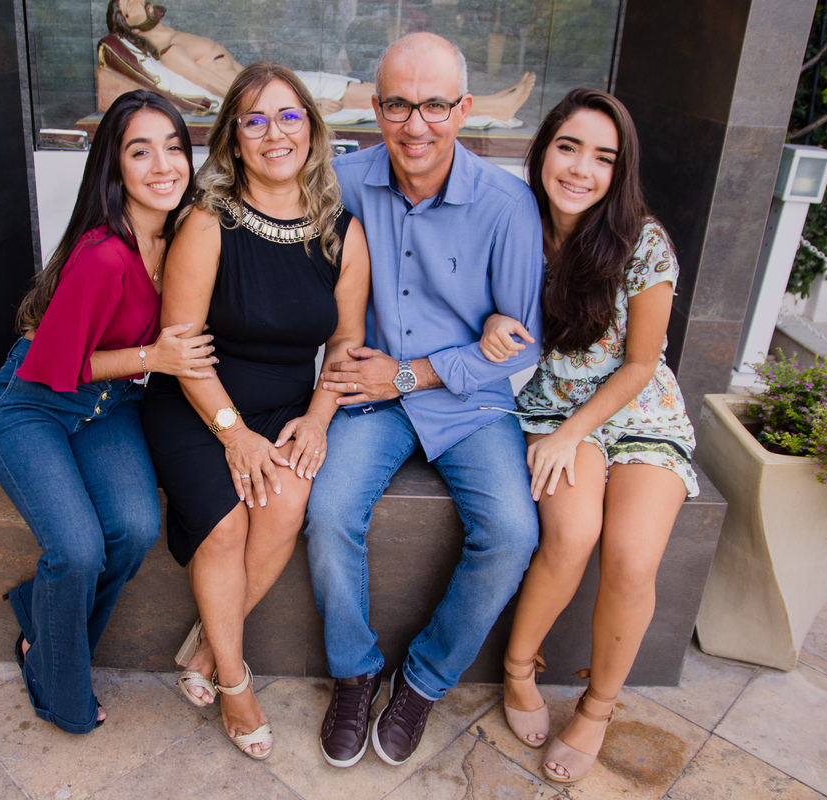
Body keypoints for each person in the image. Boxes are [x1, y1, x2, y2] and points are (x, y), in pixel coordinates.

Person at [304, 32, 545, 769]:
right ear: (374, 110)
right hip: (366, 394)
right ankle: (354, 671)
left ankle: (425, 678)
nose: (417, 125)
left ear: (465, 109)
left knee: (511, 532)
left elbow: (525, 344)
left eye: (435, 105)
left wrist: (413, 375)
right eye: (400, 105)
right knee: (327, 512)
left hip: (467, 399)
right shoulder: (340, 182)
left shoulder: (507, 203)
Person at [141, 62, 371, 760]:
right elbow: (180, 351)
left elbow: (347, 345)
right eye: (255, 120)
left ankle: (207, 648)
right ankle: (235, 683)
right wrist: (232, 433)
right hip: (196, 400)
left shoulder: (340, 233)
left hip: (284, 405)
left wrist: (320, 417)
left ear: (312, 129)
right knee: (225, 526)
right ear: (235, 141)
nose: (276, 133)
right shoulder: (209, 223)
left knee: (289, 499)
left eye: (290, 116)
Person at [0, 90, 216, 735]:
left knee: (136, 530)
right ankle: (58, 681)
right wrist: (156, 354)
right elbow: (56, 364)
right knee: (78, 550)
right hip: (34, 404)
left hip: (112, 405)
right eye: (141, 151)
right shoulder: (103, 253)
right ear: (114, 168)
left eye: (174, 147)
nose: (163, 165)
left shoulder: (177, 238)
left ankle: (39, 612)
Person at [482, 87, 698, 784]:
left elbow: (641, 364)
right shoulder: (513, 224)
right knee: (570, 536)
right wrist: (486, 327)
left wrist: (574, 434)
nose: (580, 169)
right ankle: (518, 668)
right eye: (568, 147)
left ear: (619, 171)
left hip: (636, 412)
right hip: (549, 407)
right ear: (543, 148)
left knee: (633, 557)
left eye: (602, 158)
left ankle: (598, 707)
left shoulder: (643, 242)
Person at [105, 0, 536, 121]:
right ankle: (495, 107)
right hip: (272, 91)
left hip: (276, 83)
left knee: (354, 87)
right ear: (126, 16)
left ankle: (489, 103)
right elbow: (227, 90)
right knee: (367, 94)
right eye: (131, 1)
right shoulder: (174, 51)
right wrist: (299, 108)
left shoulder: (177, 37)